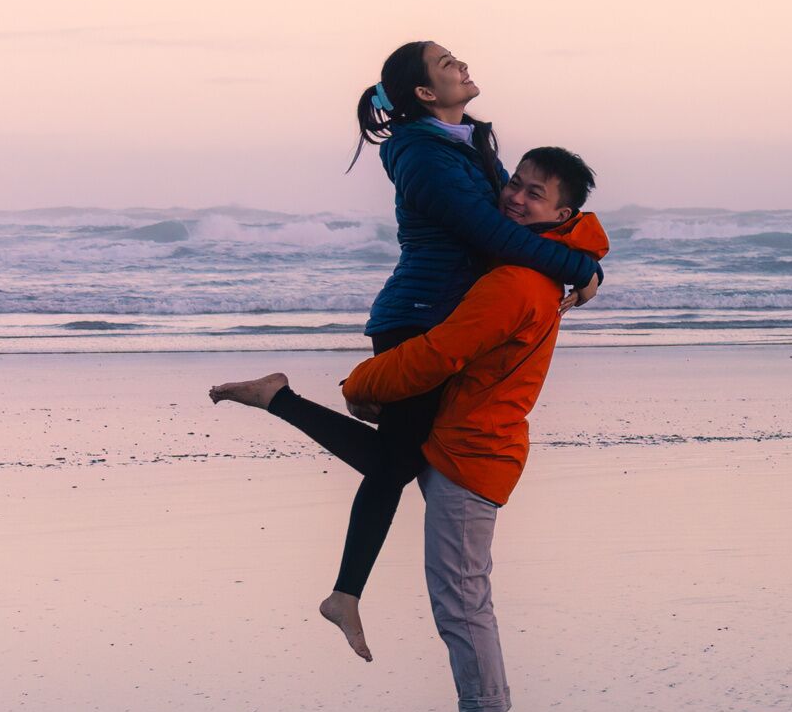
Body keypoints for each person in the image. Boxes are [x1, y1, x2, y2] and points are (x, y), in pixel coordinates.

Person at [220, 143, 602, 712]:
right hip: (466, 438)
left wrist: (362, 381)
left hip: (472, 452)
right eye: (515, 182)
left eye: (535, 194)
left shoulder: (514, 283)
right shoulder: (526, 265)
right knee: (449, 569)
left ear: (561, 215)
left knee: (462, 601)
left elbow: (436, 354)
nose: (514, 196)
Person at [212, 41, 603, 661]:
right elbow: (495, 233)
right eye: (447, 64)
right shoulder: (424, 154)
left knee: (399, 458)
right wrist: (583, 269)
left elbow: (520, 217)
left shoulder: (464, 143)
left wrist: (582, 262)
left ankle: (343, 587)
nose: (461, 65)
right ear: (425, 93)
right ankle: (281, 408)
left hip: (441, 320)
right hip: (417, 322)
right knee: (395, 464)